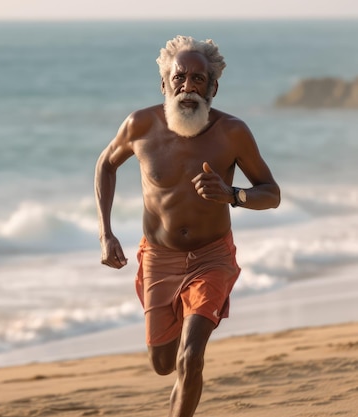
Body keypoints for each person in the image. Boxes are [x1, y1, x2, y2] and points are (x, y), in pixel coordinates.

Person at [94, 35, 281, 417]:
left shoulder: (232, 133)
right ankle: (185, 318)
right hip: (159, 259)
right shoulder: (140, 125)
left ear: (214, 87)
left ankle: (195, 328)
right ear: (165, 83)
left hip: (212, 257)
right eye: (180, 78)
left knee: (190, 356)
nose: (189, 87)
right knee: (163, 363)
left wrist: (232, 194)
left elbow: (271, 193)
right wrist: (106, 234)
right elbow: (106, 165)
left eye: (199, 79)